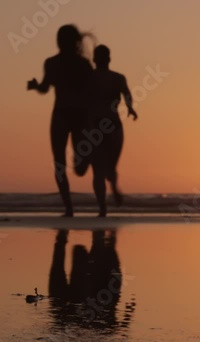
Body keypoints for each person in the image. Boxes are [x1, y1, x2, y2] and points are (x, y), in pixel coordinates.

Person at [27, 25, 93, 217]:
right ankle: (68, 208)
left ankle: (85, 160)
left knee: (79, 169)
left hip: (78, 116)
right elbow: (46, 88)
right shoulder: (52, 63)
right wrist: (36, 86)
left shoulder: (83, 64)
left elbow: (92, 90)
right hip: (61, 115)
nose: (60, 42)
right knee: (59, 163)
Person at [76, 45, 138, 217]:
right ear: (109, 59)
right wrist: (130, 108)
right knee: (108, 168)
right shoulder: (117, 78)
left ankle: (103, 207)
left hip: (96, 126)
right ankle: (108, 196)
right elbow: (127, 94)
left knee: (99, 170)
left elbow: (81, 102)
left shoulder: (89, 78)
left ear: (95, 60)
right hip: (112, 124)